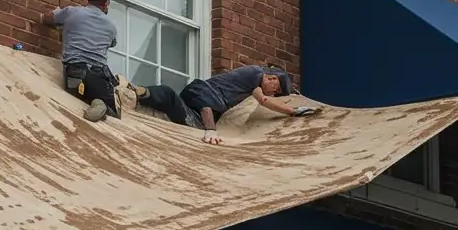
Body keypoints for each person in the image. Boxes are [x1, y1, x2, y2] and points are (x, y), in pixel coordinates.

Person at [130, 64, 317, 144]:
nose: (274, 93)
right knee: (208, 108)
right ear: (271, 78)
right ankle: (209, 128)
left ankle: (145, 93)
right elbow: (264, 101)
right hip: (203, 95)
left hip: (193, 99)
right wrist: (293, 111)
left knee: (169, 96)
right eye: (277, 89)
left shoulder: (252, 79)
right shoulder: (255, 75)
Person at [42, 0, 121, 122]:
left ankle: (94, 101)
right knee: (115, 115)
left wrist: (60, 20)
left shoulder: (71, 13)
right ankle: (99, 103)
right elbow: (111, 43)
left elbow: (46, 18)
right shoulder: (111, 26)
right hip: (99, 78)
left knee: (79, 91)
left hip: (74, 75)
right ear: (107, 3)